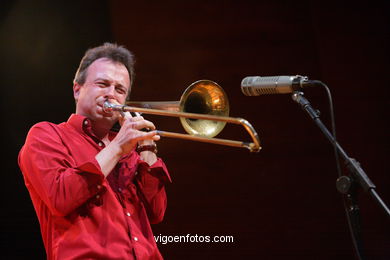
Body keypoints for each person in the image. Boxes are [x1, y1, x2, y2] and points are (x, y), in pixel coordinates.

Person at [18, 43, 171, 259]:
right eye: (103, 84)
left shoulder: (129, 149)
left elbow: (156, 212)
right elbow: (61, 198)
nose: (111, 95)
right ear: (77, 89)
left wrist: (146, 148)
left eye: (120, 90)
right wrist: (117, 148)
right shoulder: (47, 135)